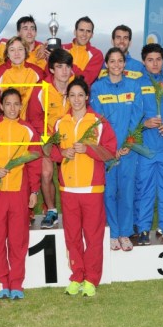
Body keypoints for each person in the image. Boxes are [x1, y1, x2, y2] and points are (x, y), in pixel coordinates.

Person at [0, 88, 42, 300]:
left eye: (16, 104)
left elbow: (34, 163)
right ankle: (2, 281)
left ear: (21, 106)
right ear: (1, 106)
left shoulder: (28, 130)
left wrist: (34, 190)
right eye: (8, 104)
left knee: (18, 239)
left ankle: (17, 283)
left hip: (19, 191)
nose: (12, 108)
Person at [50, 76, 117, 297]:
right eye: (72, 95)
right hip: (68, 189)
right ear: (67, 98)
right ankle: (77, 276)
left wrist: (87, 149)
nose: (76, 99)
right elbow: (49, 149)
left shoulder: (98, 122)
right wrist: (62, 153)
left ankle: (91, 279)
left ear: (87, 97)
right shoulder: (60, 123)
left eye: (80, 95)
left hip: (92, 189)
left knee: (93, 236)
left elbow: (110, 151)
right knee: (72, 236)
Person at [90, 47, 143, 251]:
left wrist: (128, 143)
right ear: (106, 64)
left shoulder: (133, 86)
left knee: (127, 192)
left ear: (124, 63)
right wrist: (110, 147)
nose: (116, 65)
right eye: (112, 61)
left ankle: (125, 233)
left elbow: (136, 117)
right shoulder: (97, 88)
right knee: (109, 192)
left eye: (120, 61)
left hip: (128, 150)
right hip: (107, 150)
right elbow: (98, 120)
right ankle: (112, 232)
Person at [134, 43, 163, 245]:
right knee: (144, 190)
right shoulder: (136, 84)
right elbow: (132, 114)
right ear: (143, 62)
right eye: (150, 60)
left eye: (158, 59)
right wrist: (143, 124)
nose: (154, 63)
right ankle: (143, 229)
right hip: (145, 149)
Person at [26, 48, 73, 227]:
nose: (64, 71)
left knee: (69, 176)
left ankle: (72, 211)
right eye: (59, 66)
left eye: (67, 66)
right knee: (46, 173)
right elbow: (34, 118)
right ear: (52, 69)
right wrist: (52, 139)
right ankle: (51, 211)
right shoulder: (41, 88)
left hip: (71, 138)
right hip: (47, 137)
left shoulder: (76, 86)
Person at [0, 36, 44, 122]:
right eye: (12, 50)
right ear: (7, 54)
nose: (16, 53)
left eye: (20, 49)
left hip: (31, 123)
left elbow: (44, 100)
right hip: (6, 123)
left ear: (25, 51)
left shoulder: (38, 72)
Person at [63, 16, 104, 86]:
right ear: (75, 32)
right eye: (81, 30)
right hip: (56, 92)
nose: (84, 34)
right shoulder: (62, 48)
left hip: (80, 92)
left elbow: (86, 79)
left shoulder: (96, 54)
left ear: (92, 35)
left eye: (88, 31)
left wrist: (67, 61)